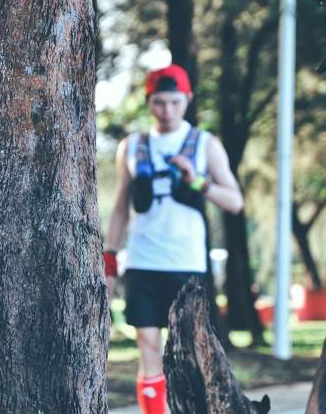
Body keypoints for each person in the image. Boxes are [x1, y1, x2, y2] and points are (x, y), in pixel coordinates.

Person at [103, 64, 244, 414]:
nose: (166, 110)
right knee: (148, 346)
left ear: (187, 100)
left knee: (188, 352)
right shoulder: (131, 146)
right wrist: (110, 260)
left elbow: (235, 201)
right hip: (143, 261)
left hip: (187, 263)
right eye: (159, 102)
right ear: (149, 102)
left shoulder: (205, 144)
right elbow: (120, 207)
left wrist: (197, 181)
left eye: (174, 102)